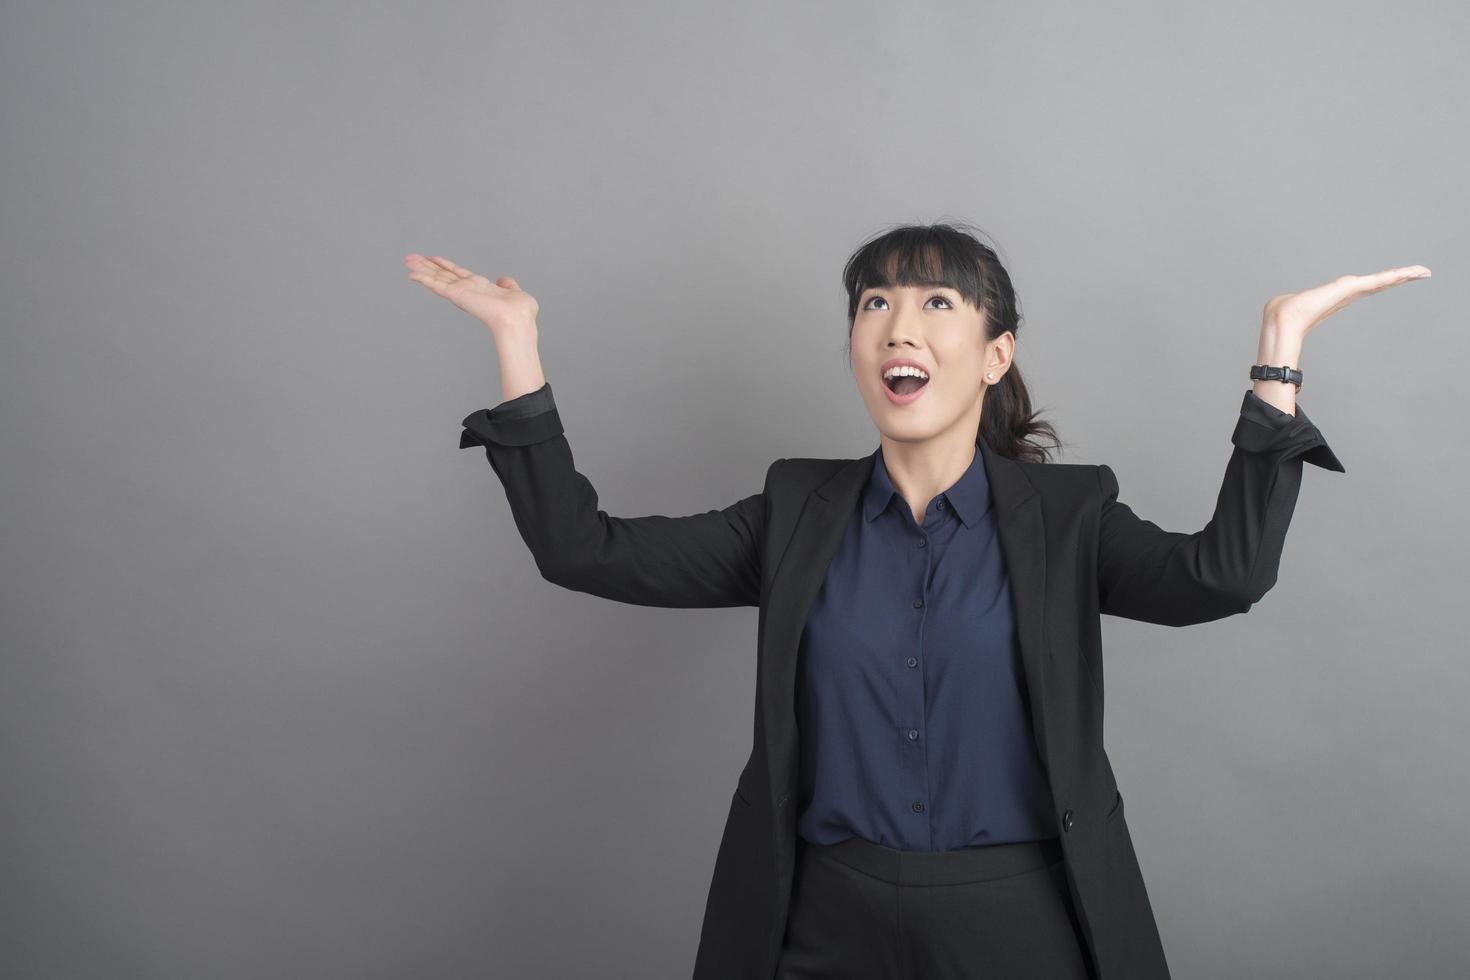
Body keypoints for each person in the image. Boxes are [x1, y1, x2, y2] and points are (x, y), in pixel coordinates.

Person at [406, 224, 1429, 980]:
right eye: (875, 302)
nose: (901, 322)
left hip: (1025, 921)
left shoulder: (1067, 515)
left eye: (938, 301)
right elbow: (584, 549)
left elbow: (1225, 575)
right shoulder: (793, 509)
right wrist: (517, 345)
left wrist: (1279, 351)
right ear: (857, 346)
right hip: (822, 921)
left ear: (994, 354)